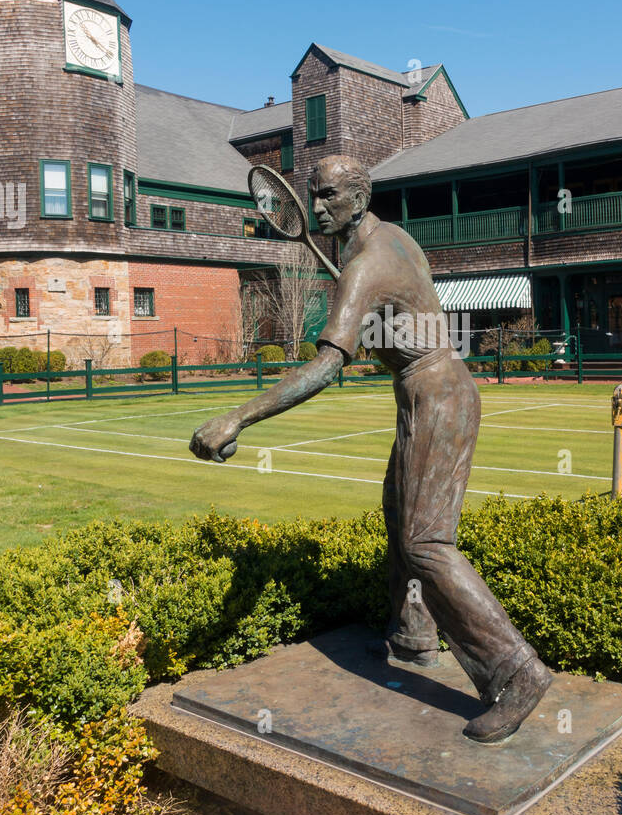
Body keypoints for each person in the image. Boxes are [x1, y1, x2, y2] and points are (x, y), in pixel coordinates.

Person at [190, 155, 551, 744]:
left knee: (427, 543)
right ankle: (413, 636)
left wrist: (238, 416)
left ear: (358, 198)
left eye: (329, 195)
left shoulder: (368, 265)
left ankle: (517, 673)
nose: (316, 206)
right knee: (399, 516)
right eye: (313, 195)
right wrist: (356, 293)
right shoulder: (395, 239)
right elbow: (394, 316)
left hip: (436, 398)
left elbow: (326, 368)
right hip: (439, 391)